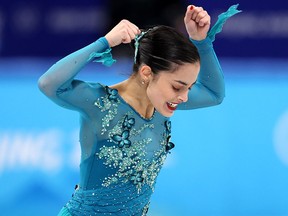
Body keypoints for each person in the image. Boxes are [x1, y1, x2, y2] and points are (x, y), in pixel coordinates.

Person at [38, 4, 241, 216]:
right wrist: (104, 42)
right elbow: (48, 84)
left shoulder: (161, 103)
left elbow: (214, 93)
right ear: (146, 73)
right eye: (177, 86)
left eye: (189, 88)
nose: (184, 97)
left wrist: (201, 42)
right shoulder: (100, 103)